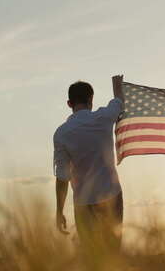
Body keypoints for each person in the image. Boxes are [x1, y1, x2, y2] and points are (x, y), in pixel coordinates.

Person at [53, 75, 125, 255]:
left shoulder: (62, 134)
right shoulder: (103, 117)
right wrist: (117, 85)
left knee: (91, 257)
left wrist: (59, 211)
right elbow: (119, 102)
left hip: (84, 203)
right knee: (113, 253)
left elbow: (62, 177)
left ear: (69, 103)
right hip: (112, 196)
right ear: (91, 99)